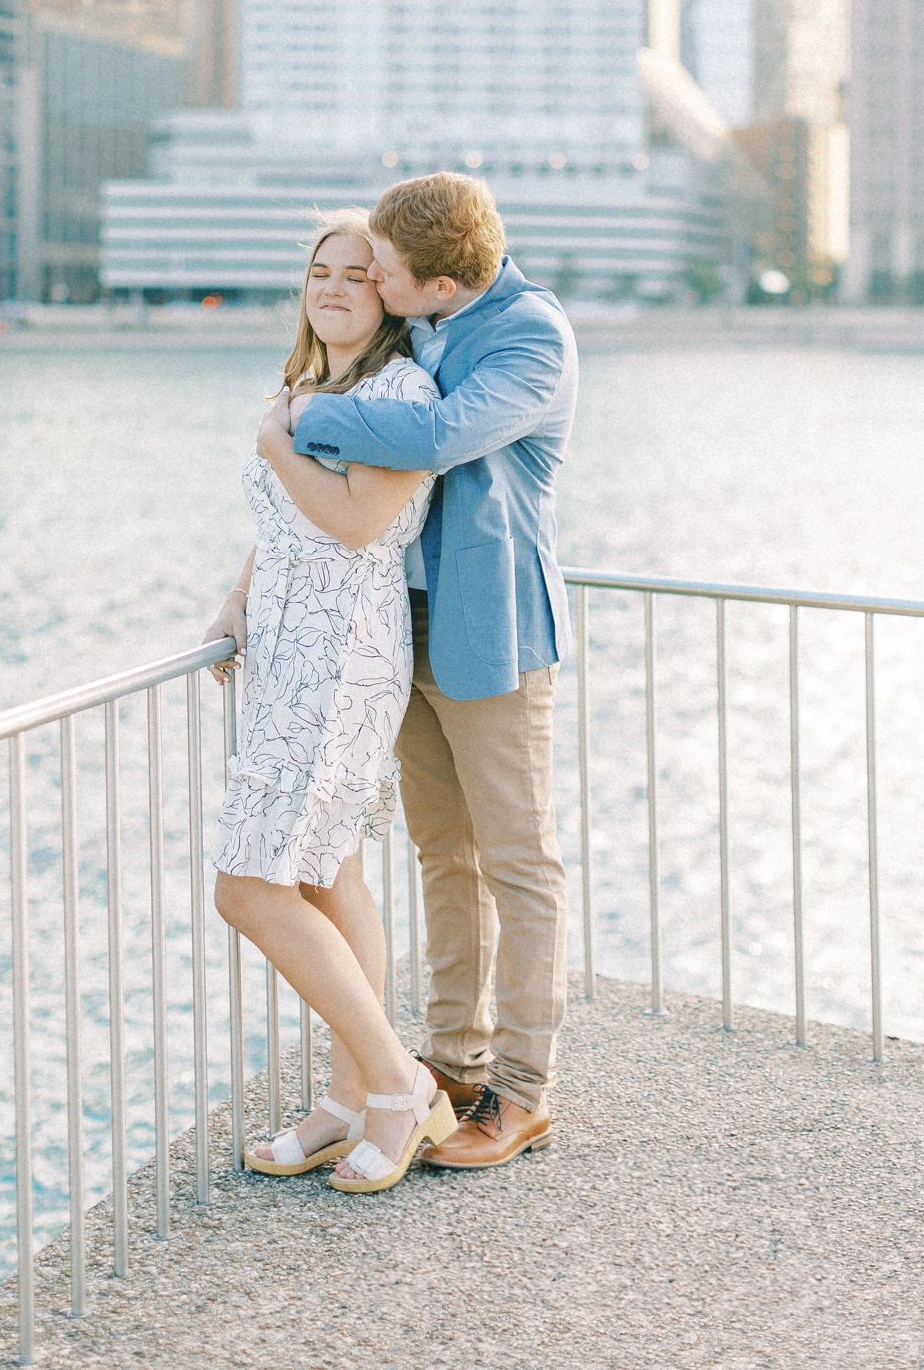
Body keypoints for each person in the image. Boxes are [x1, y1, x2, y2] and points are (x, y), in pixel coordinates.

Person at [259, 172, 579, 1170]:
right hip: (405, 625)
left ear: (438, 284)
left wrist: (297, 421)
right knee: (443, 849)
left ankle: (522, 1088)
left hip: (493, 629)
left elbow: (437, 440)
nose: (370, 279)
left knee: (518, 860)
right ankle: (449, 1058)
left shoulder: (532, 335)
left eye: (384, 270)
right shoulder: (425, 327)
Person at [204, 211, 458, 1194]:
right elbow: (285, 525)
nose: (336, 285)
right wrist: (238, 599)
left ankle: (399, 1081)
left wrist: (275, 445)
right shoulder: (307, 388)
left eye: (359, 273)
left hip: (342, 658)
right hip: (287, 655)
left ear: (389, 294)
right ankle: (352, 1094)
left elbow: (356, 522)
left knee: (248, 882)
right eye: (320, 270)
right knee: (325, 875)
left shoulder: (401, 390)